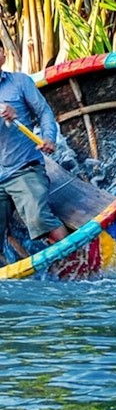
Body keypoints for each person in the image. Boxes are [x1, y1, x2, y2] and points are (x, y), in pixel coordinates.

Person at [0, 40, 68, 254]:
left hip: (24, 169)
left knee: (39, 218)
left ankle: (79, 266)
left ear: (2, 55)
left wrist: (48, 138)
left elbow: (44, 113)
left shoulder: (20, 82)